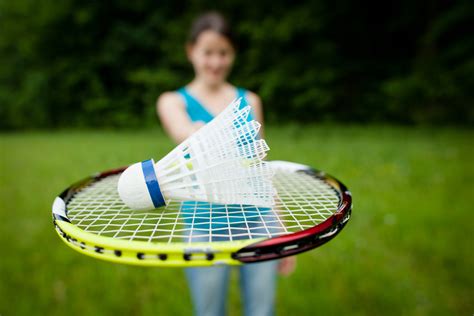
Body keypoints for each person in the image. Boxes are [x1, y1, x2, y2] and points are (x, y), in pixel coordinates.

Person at [156, 12, 295, 316]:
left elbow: (260, 166)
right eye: (208, 52)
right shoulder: (172, 102)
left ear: (233, 54)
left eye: (224, 53)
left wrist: (281, 229)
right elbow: (185, 134)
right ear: (191, 51)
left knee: (262, 311)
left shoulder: (250, 100)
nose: (216, 62)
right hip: (203, 225)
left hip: (257, 222)